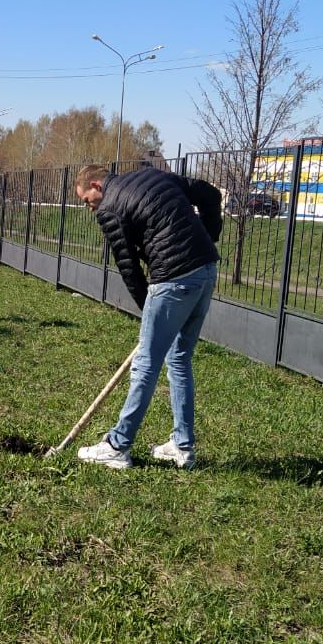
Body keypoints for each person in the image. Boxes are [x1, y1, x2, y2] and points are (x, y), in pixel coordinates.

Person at [72, 163, 222, 469]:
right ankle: (183, 446)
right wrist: (208, 235)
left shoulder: (109, 209)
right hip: (205, 270)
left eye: (87, 200)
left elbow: (129, 267)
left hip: (173, 278)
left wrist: (150, 315)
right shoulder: (156, 175)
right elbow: (210, 194)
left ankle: (118, 445)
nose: (90, 209)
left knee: (145, 364)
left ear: (97, 186)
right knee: (178, 357)